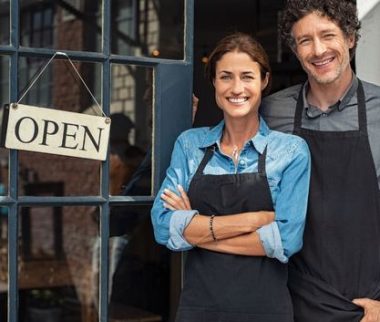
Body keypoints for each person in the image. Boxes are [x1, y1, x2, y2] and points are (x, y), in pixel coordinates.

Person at [151, 32, 311, 322]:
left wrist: (197, 232)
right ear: (214, 82)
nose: (237, 88)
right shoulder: (190, 145)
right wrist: (254, 220)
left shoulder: (290, 151)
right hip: (199, 310)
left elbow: (286, 240)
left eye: (247, 76)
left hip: (266, 312)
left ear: (264, 81)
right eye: (226, 76)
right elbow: (163, 226)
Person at [259, 0, 380, 321]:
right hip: (290, 298)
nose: (318, 50)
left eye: (328, 35)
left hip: (367, 305)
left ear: (350, 38)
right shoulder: (270, 113)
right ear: (295, 51)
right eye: (305, 41)